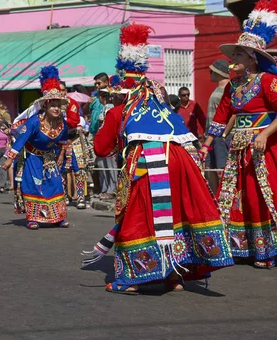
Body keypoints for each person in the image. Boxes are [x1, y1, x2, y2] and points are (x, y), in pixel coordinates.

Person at [83, 23, 232, 294]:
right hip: (181, 160)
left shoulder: (119, 110)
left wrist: (112, 125)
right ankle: (174, 276)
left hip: (148, 163)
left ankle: (134, 278)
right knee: (176, 214)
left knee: (139, 216)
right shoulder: (162, 107)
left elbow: (101, 148)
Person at [201, 0, 277, 269]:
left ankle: (267, 250)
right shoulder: (233, 86)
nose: (232, 59)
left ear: (252, 58)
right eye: (234, 55)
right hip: (238, 149)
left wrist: (265, 135)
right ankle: (241, 245)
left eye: (238, 55)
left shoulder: (269, 82)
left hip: (263, 148)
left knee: (262, 193)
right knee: (235, 193)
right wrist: (205, 145)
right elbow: (221, 117)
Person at [3, 66, 69, 229]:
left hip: (49, 158)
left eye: (58, 105)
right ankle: (33, 218)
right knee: (33, 185)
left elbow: (63, 141)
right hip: (32, 158)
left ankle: (58, 217)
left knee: (55, 184)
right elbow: (20, 141)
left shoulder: (62, 123)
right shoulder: (34, 122)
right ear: (45, 106)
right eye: (53, 105)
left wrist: (61, 156)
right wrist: (9, 160)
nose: (56, 108)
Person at [89, 73, 117, 200]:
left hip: (109, 142)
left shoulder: (110, 107)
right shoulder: (104, 107)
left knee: (110, 167)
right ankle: (105, 189)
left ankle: (112, 190)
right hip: (101, 140)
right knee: (102, 166)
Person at [205, 60, 232, 193]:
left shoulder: (225, 91)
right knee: (210, 167)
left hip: (220, 137)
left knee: (221, 170)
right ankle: (215, 199)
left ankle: (223, 199)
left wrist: (223, 135)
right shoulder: (219, 89)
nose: (210, 73)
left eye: (212, 71)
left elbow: (229, 116)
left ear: (218, 73)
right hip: (212, 137)